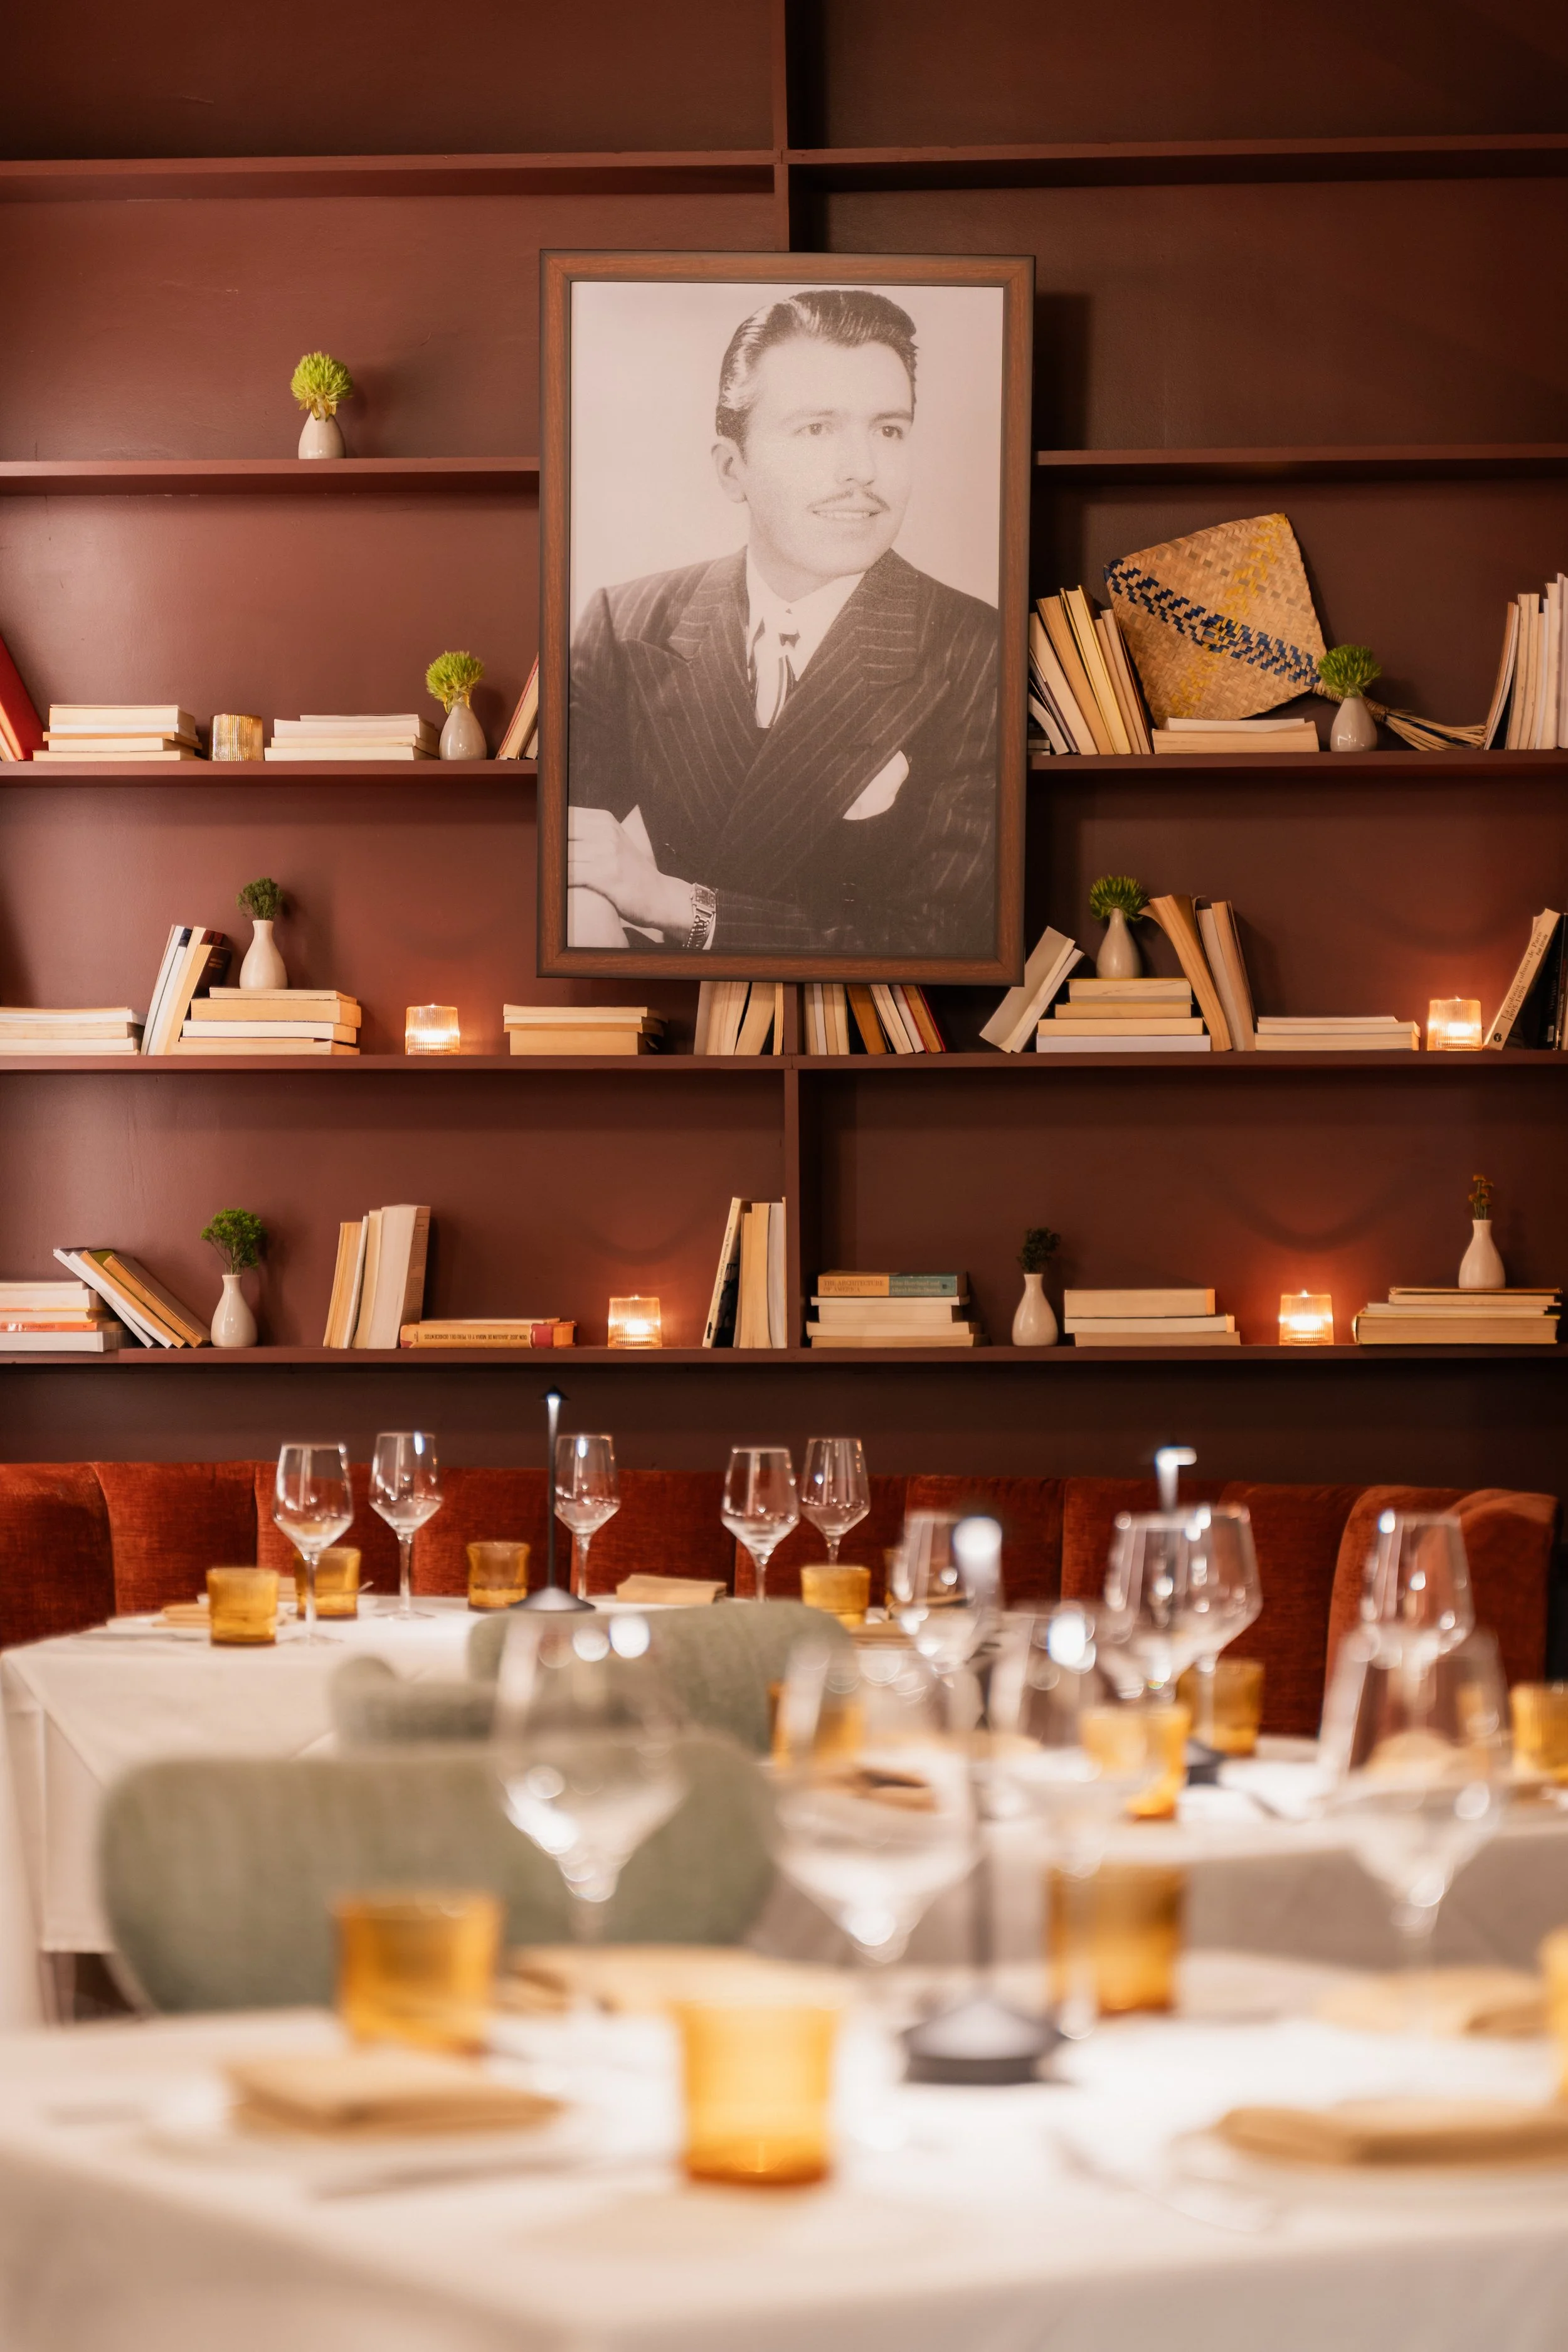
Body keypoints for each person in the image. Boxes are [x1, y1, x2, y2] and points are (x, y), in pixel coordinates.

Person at [566, 286, 999, 958]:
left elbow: (942, 942)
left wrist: (671, 903)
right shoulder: (625, 626)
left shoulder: (976, 649)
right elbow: (562, 849)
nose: (862, 470)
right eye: (815, 429)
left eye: (889, 429)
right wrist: (586, 910)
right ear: (733, 468)